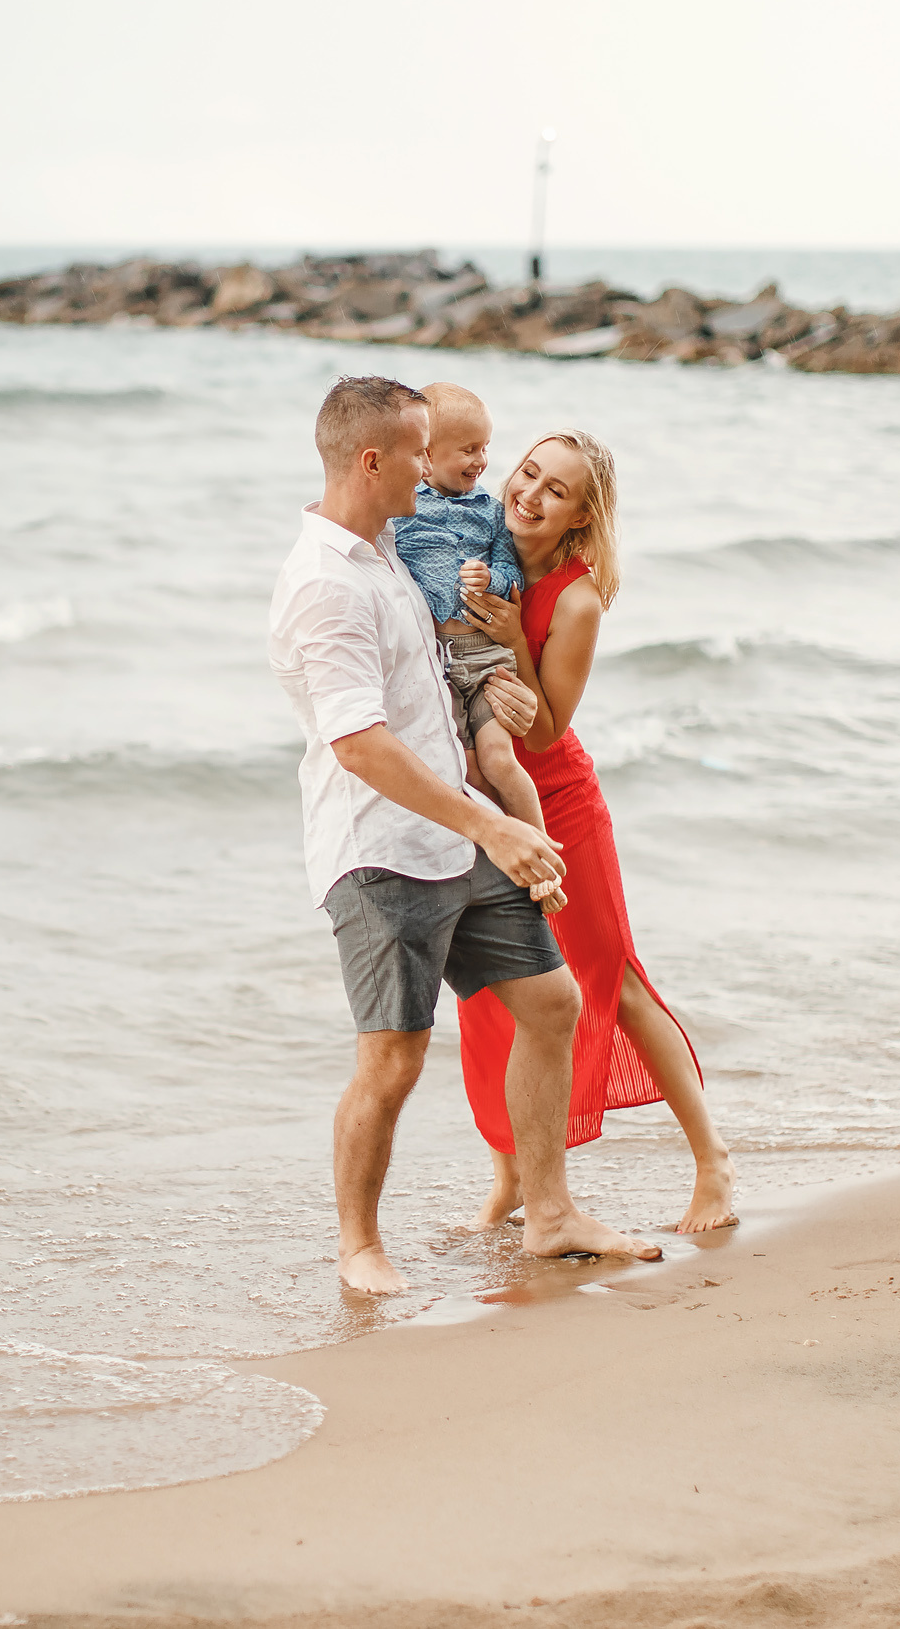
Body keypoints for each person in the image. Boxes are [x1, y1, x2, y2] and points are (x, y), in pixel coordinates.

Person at [268, 377, 662, 1294]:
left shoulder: (390, 550)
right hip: (382, 851)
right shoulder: (325, 583)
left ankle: (549, 1212)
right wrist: (497, 820)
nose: (443, 471)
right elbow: (361, 744)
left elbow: (450, 665)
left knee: (552, 1004)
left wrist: (507, 698)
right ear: (376, 460)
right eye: (420, 451)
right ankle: (359, 1245)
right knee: (394, 1056)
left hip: (459, 831)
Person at [453, 429, 738, 1237]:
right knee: (490, 992)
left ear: (582, 517)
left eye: (556, 491)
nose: (530, 495)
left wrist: (511, 634)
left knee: (615, 980)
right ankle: (511, 1175)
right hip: (481, 803)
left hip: (560, 803)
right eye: (528, 472)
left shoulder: (575, 600)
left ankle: (713, 1161)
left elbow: (542, 733)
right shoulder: (475, 537)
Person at [386, 383, 559, 913]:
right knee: (459, 767)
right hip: (436, 663)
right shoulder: (401, 513)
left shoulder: (487, 512)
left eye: (486, 448)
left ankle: (544, 860)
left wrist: (493, 577)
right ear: (427, 454)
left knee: (500, 761)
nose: (482, 461)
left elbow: (512, 572)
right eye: (468, 450)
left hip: (484, 660)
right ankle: (478, 869)